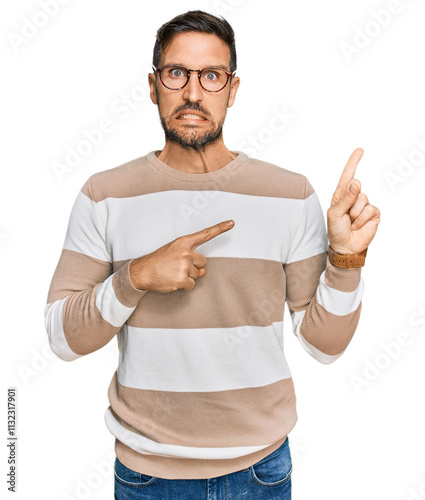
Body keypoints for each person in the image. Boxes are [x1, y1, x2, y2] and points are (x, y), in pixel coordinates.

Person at [44, 9, 380, 500]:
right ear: (153, 85)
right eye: (177, 73)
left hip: (262, 473)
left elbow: (324, 346)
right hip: (147, 477)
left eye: (212, 76)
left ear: (233, 89)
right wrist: (133, 277)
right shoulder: (104, 194)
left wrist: (346, 260)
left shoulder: (289, 194)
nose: (194, 93)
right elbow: (59, 337)